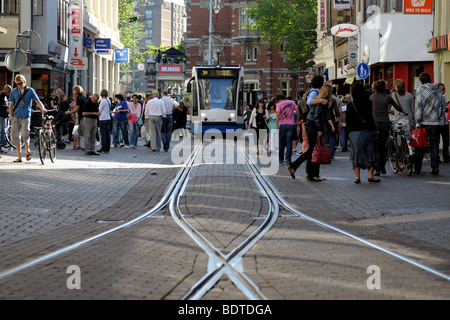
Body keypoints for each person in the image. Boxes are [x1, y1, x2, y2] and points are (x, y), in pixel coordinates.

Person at [288, 84, 332, 182]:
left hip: (310, 125)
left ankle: (312, 174)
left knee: (312, 151)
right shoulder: (322, 102)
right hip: (314, 127)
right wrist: (320, 129)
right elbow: (317, 116)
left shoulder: (317, 100)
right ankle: (297, 168)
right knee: (312, 150)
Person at [370, 80, 407, 176]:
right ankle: (382, 165)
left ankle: (378, 168)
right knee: (383, 146)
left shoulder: (372, 97)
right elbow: (396, 107)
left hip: (375, 124)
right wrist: (404, 111)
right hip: (385, 123)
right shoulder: (387, 97)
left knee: (376, 146)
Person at [8, 74, 47, 162]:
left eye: (20, 83)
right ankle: (19, 157)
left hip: (26, 115)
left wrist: (43, 108)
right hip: (16, 116)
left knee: (25, 134)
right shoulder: (14, 92)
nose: (19, 85)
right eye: (17, 84)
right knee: (15, 136)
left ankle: (27, 150)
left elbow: (37, 101)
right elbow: (10, 105)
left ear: (24, 82)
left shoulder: (30, 91)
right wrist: (11, 116)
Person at [414, 73, 447, 175]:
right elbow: (443, 105)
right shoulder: (437, 90)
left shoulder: (420, 91)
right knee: (434, 145)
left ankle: (417, 167)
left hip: (424, 122)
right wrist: (439, 116)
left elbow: (419, 107)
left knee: (420, 145)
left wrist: (417, 121)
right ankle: (435, 167)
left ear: (421, 81)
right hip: (436, 122)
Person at [346, 82, 379, 183]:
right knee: (370, 153)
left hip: (354, 132)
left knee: (355, 154)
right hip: (366, 131)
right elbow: (370, 118)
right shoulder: (368, 102)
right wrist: (373, 129)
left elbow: (348, 121)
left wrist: (348, 135)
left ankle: (357, 177)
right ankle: (370, 176)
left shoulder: (350, 105)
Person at [276, 94, 299, 165]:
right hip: (291, 124)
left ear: (279, 99)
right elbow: (298, 111)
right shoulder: (292, 102)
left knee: (281, 142)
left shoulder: (279, 104)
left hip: (283, 124)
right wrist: (297, 121)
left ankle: (280, 159)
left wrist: (277, 125)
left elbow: (277, 115)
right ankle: (288, 160)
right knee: (289, 143)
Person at [438, 83, 449, 163]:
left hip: (436, 123)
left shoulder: (433, 98)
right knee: (446, 141)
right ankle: (446, 158)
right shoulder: (442, 97)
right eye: (442, 89)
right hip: (442, 123)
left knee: (436, 141)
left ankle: (436, 157)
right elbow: (446, 108)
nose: (444, 90)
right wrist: (445, 109)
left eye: (444, 89)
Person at [97, 89, 111, 154]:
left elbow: (99, 110)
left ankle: (103, 148)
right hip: (108, 118)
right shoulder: (108, 100)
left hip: (103, 118)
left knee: (103, 134)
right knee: (107, 134)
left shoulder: (102, 101)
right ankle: (107, 148)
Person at [0, 85, 12, 154]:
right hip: (2, 115)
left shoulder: (5, 96)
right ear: (6, 90)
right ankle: (2, 145)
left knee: (4, 130)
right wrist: (7, 107)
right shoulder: (1, 95)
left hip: (4, 115)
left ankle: (3, 145)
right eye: (9, 91)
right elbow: (1, 105)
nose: (10, 92)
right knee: (3, 130)